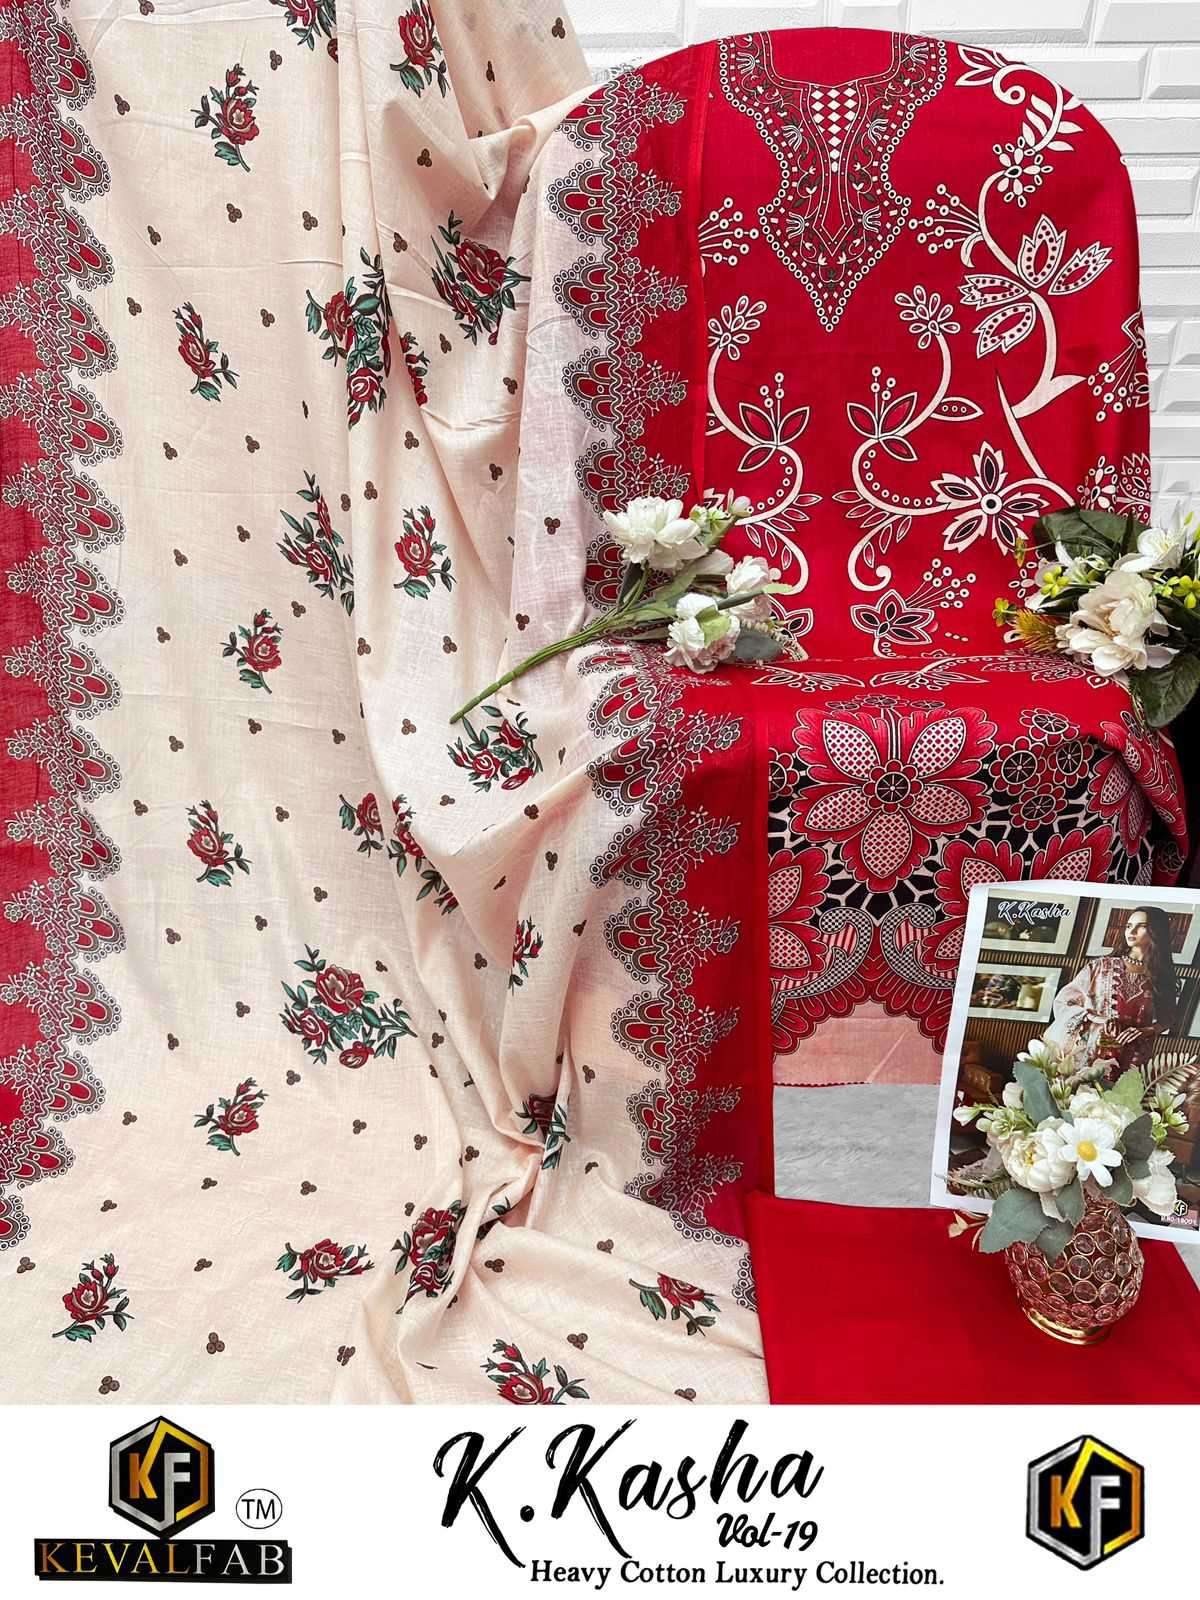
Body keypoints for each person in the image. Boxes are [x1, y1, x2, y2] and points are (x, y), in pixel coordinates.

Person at [1043, 906, 1179, 1083]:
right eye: (1129, 926)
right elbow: (1065, 1002)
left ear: (1157, 931)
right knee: (1079, 1093)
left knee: (1119, 1099)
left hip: (1134, 1056)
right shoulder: (1100, 967)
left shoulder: (1161, 977)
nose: (1132, 931)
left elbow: (1168, 1018)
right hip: (1093, 1050)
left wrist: (1145, 1031)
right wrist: (1101, 1020)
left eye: (1141, 926)